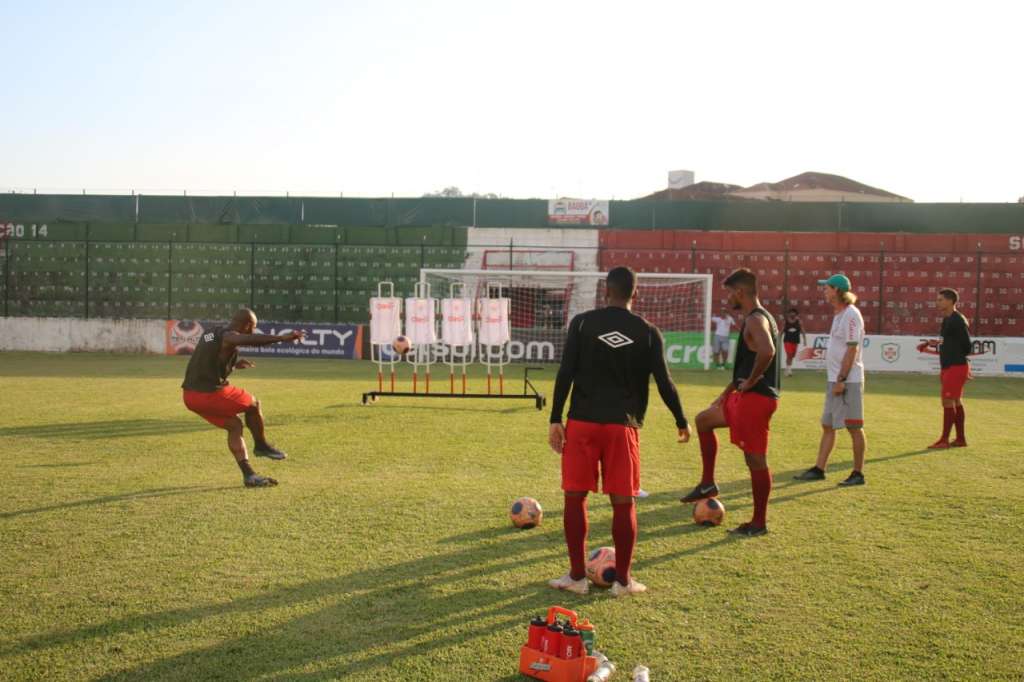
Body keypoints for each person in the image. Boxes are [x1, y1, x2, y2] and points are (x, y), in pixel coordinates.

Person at [547, 266, 691, 597]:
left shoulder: (582, 323)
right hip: (621, 426)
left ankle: (577, 578)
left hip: (582, 423)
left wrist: (556, 417)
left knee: (574, 497)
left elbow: (565, 372)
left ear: (605, 291)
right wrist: (680, 419)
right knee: (623, 503)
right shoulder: (648, 331)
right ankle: (623, 582)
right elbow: (664, 381)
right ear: (634, 295)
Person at [679, 268, 779, 537]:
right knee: (703, 420)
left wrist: (751, 382)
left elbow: (767, 351)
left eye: (729, 293)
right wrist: (728, 392)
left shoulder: (756, 320)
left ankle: (759, 522)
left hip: (756, 400)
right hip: (743, 396)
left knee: (755, 460)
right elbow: (749, 363)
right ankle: (707, 484)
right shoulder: (760, 317)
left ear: (740, 292)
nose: (727, 299)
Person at [181, 308, 305, 487]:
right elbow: (244, 339)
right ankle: (261, 445)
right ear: (246, 325)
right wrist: (283, 338)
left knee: (235, 425)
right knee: (253, 404)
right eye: (253, 327)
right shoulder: (230, 336)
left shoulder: (210, 334)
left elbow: (209, 348)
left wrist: (233, 363)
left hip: (190, 396)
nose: (253, 331)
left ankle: (249, 476)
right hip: (208, 393)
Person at [794, 274, 867, 486]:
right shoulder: (839, 314)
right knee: (827, 425)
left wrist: (841, 379)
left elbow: (853, 349)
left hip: (848, 380)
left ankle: (858, 473)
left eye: (826, 288)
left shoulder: (851, 314)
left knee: (854, 426)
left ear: (836, 290)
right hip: (835, 379)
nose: (824, 291)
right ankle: (819, 469)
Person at [924, 288, 972, 448]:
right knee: (956, 401)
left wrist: (962, 363)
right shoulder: (947, 320)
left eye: (940, 300)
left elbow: (967, 346)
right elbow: (949, 341)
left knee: (947, 401)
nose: (937, 302)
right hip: (950, 366)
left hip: (955, 366)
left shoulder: (957, 320)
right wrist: (936, 343)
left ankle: (944, 440)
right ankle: (960, 439)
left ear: (950, 301)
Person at [781, 307, 807, 377]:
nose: (792, 314)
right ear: (789, 314)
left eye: (794, 313)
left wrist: (805, 340)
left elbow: (803, 330)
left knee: (792, 356)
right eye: (791, 313)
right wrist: (778, 337)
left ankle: (787, 368)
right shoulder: (785, 321)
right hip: (787, 340)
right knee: (789, 354)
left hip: (795, 341)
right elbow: (782, 330)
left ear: (796, 314)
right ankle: (789, 371)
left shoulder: (799, 322)